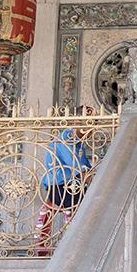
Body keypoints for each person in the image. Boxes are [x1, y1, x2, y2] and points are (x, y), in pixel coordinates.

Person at [34, 107, 95, 254]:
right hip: (60, 185)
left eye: (95, 122)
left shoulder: (78, 142)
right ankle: (75, 246)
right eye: (90, 121)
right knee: (87, 206)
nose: (93, 126)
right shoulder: (67, 138)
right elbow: (77, 167)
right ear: (77, 121)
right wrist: (91, 180)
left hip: (69, 184)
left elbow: (87, 166)